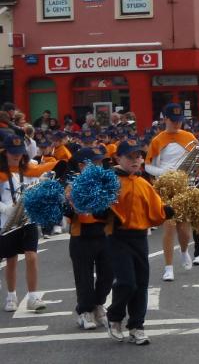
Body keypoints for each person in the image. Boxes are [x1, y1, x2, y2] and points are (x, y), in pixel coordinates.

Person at [107, 140, 172, 345]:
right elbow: (99, 206)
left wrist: (168, 211)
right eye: (130, 157)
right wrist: (104, 213)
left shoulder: (144, 183)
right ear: (118, 158)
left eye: (138, 157)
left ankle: (137, 325)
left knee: (141, 284)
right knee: (127, 282)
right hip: (118, 237)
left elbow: (156, 210)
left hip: (140, 237)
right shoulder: (110, 180)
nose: (136, 161)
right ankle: (115, 316)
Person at [0, 135, 58, 312]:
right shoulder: (1, 174)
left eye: (19, 153)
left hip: (28, 219)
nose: (16, 156)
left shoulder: (31, 169)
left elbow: (37, 188)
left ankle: (33, 297)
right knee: (11, 260)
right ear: (5, 153)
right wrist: (4, 209)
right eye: (12, 153)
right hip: (7, 222)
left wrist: (43, 184)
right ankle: (11, 295)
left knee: (32, 256)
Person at [144, 103, 196, 282]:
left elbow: (197, 161)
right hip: (166, 188)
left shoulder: (189, 137)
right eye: (173, 120)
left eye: (179, 121)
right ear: (165, 119)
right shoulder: (158, 140)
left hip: (185, 186)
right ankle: (168, 267)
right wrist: (164, 173)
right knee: (169, 226)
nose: (177, 124)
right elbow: (148, 166)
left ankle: (184, 250)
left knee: (184, 229)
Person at [66, 148, 113, 330]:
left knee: (109, 274)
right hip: (81, 236)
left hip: (105, 234)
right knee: (84, 277)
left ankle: (98, 304)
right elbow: (67, 212)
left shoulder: (107, 183)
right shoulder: (71, 185)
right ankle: (84, 311)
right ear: (81, 166)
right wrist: (70, 203)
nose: (99, 165)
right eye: (94, 162)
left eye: (100, 162)